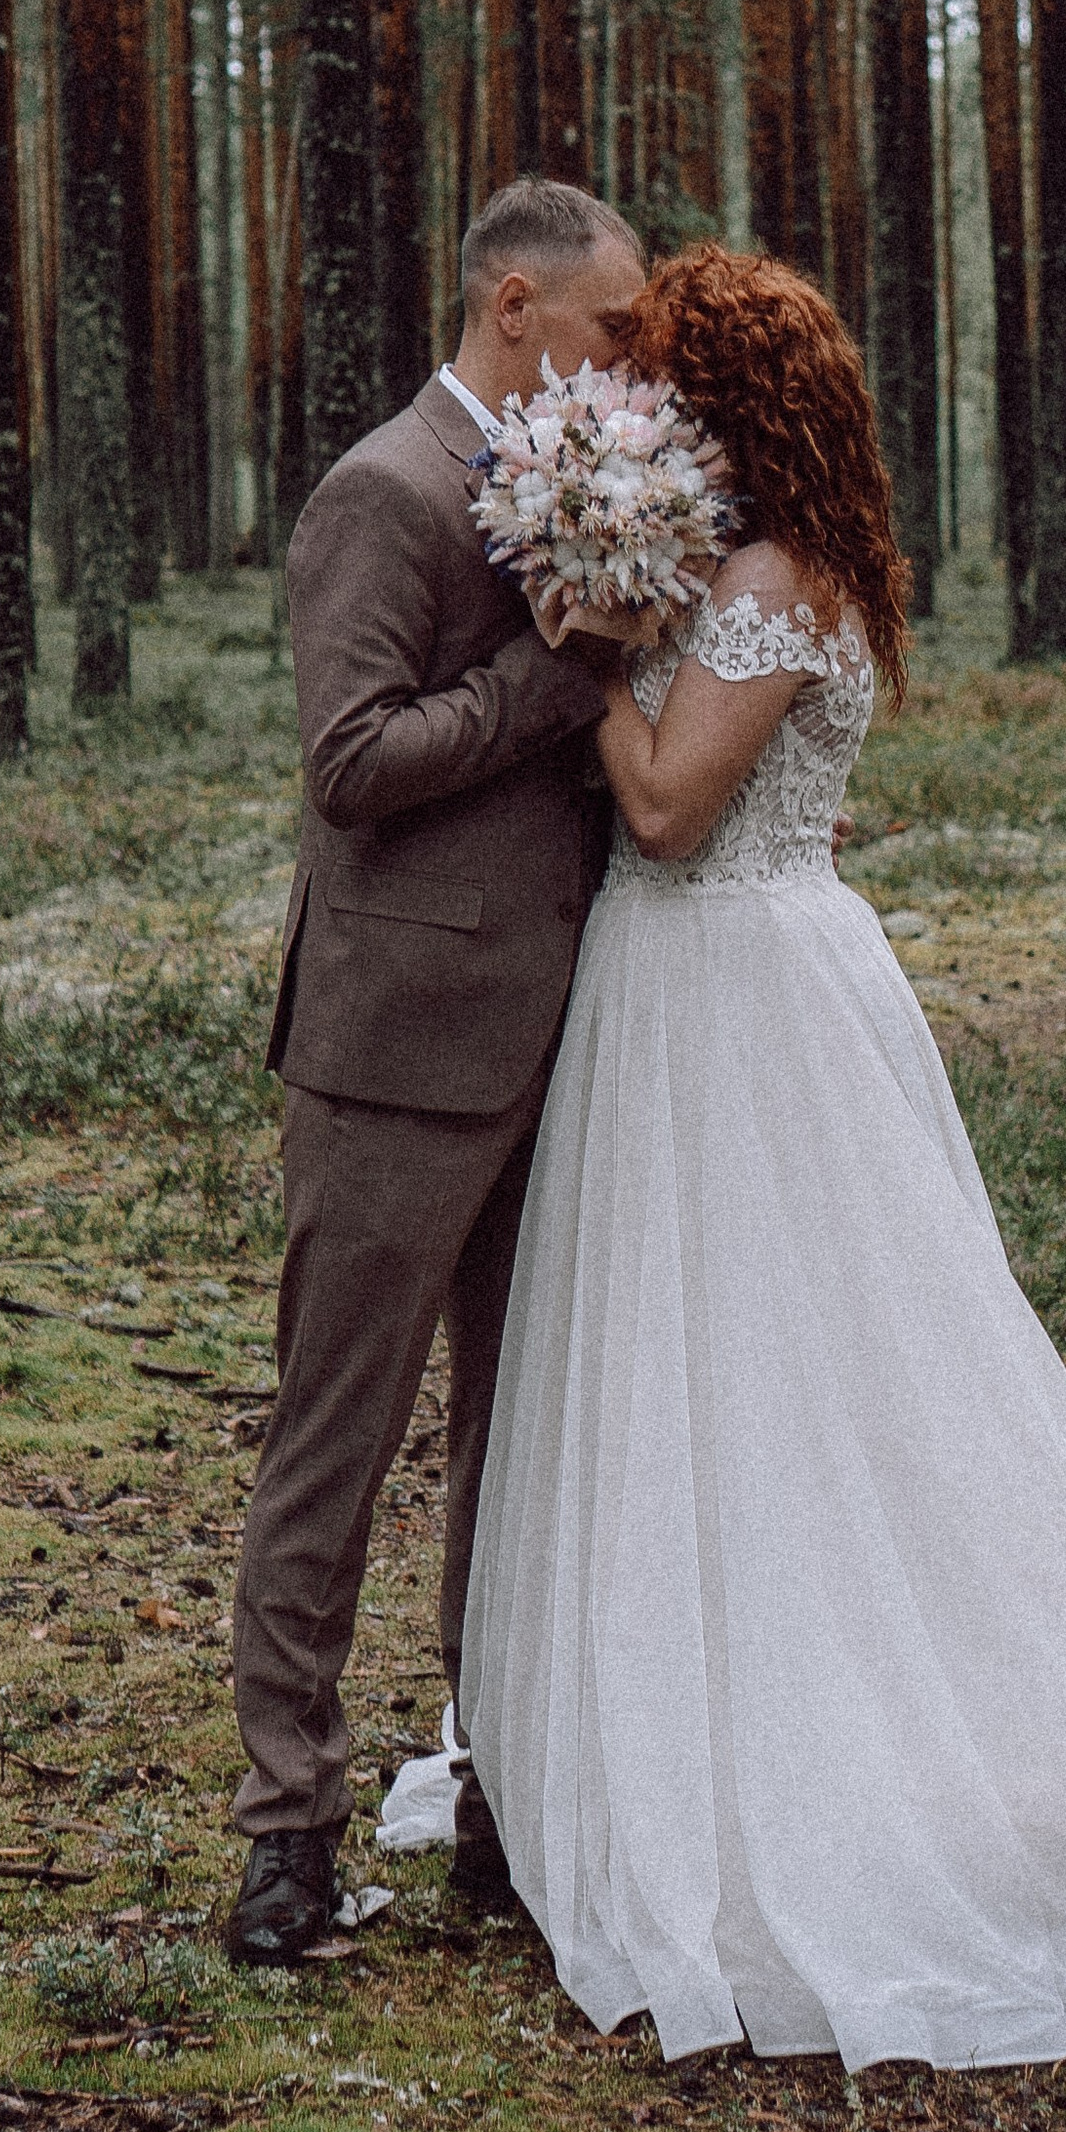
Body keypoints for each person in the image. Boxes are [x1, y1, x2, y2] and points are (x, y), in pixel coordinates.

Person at [462, 242, 1066, 2070]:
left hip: (730, 995)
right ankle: (678, 1703)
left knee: (800, 1372)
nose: (648, 409)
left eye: (672, 382)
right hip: (719, 981)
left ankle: (807, 1761)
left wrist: (596, 647)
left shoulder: (780, 583)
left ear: (736, 408)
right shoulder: (793, 571)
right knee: (704, 1368)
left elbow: (667, 807)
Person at [224, 174, 655, 1966]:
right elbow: (351, 759)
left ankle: (498, 1800)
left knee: (516, 1442)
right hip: (397, 1056)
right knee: (337, 1438)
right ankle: (286, 1841)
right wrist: (551, 693)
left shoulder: (575, 492)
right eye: (611, 328)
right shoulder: (382, 493)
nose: (631, 363)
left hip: (559, 1044)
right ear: (512, 308)